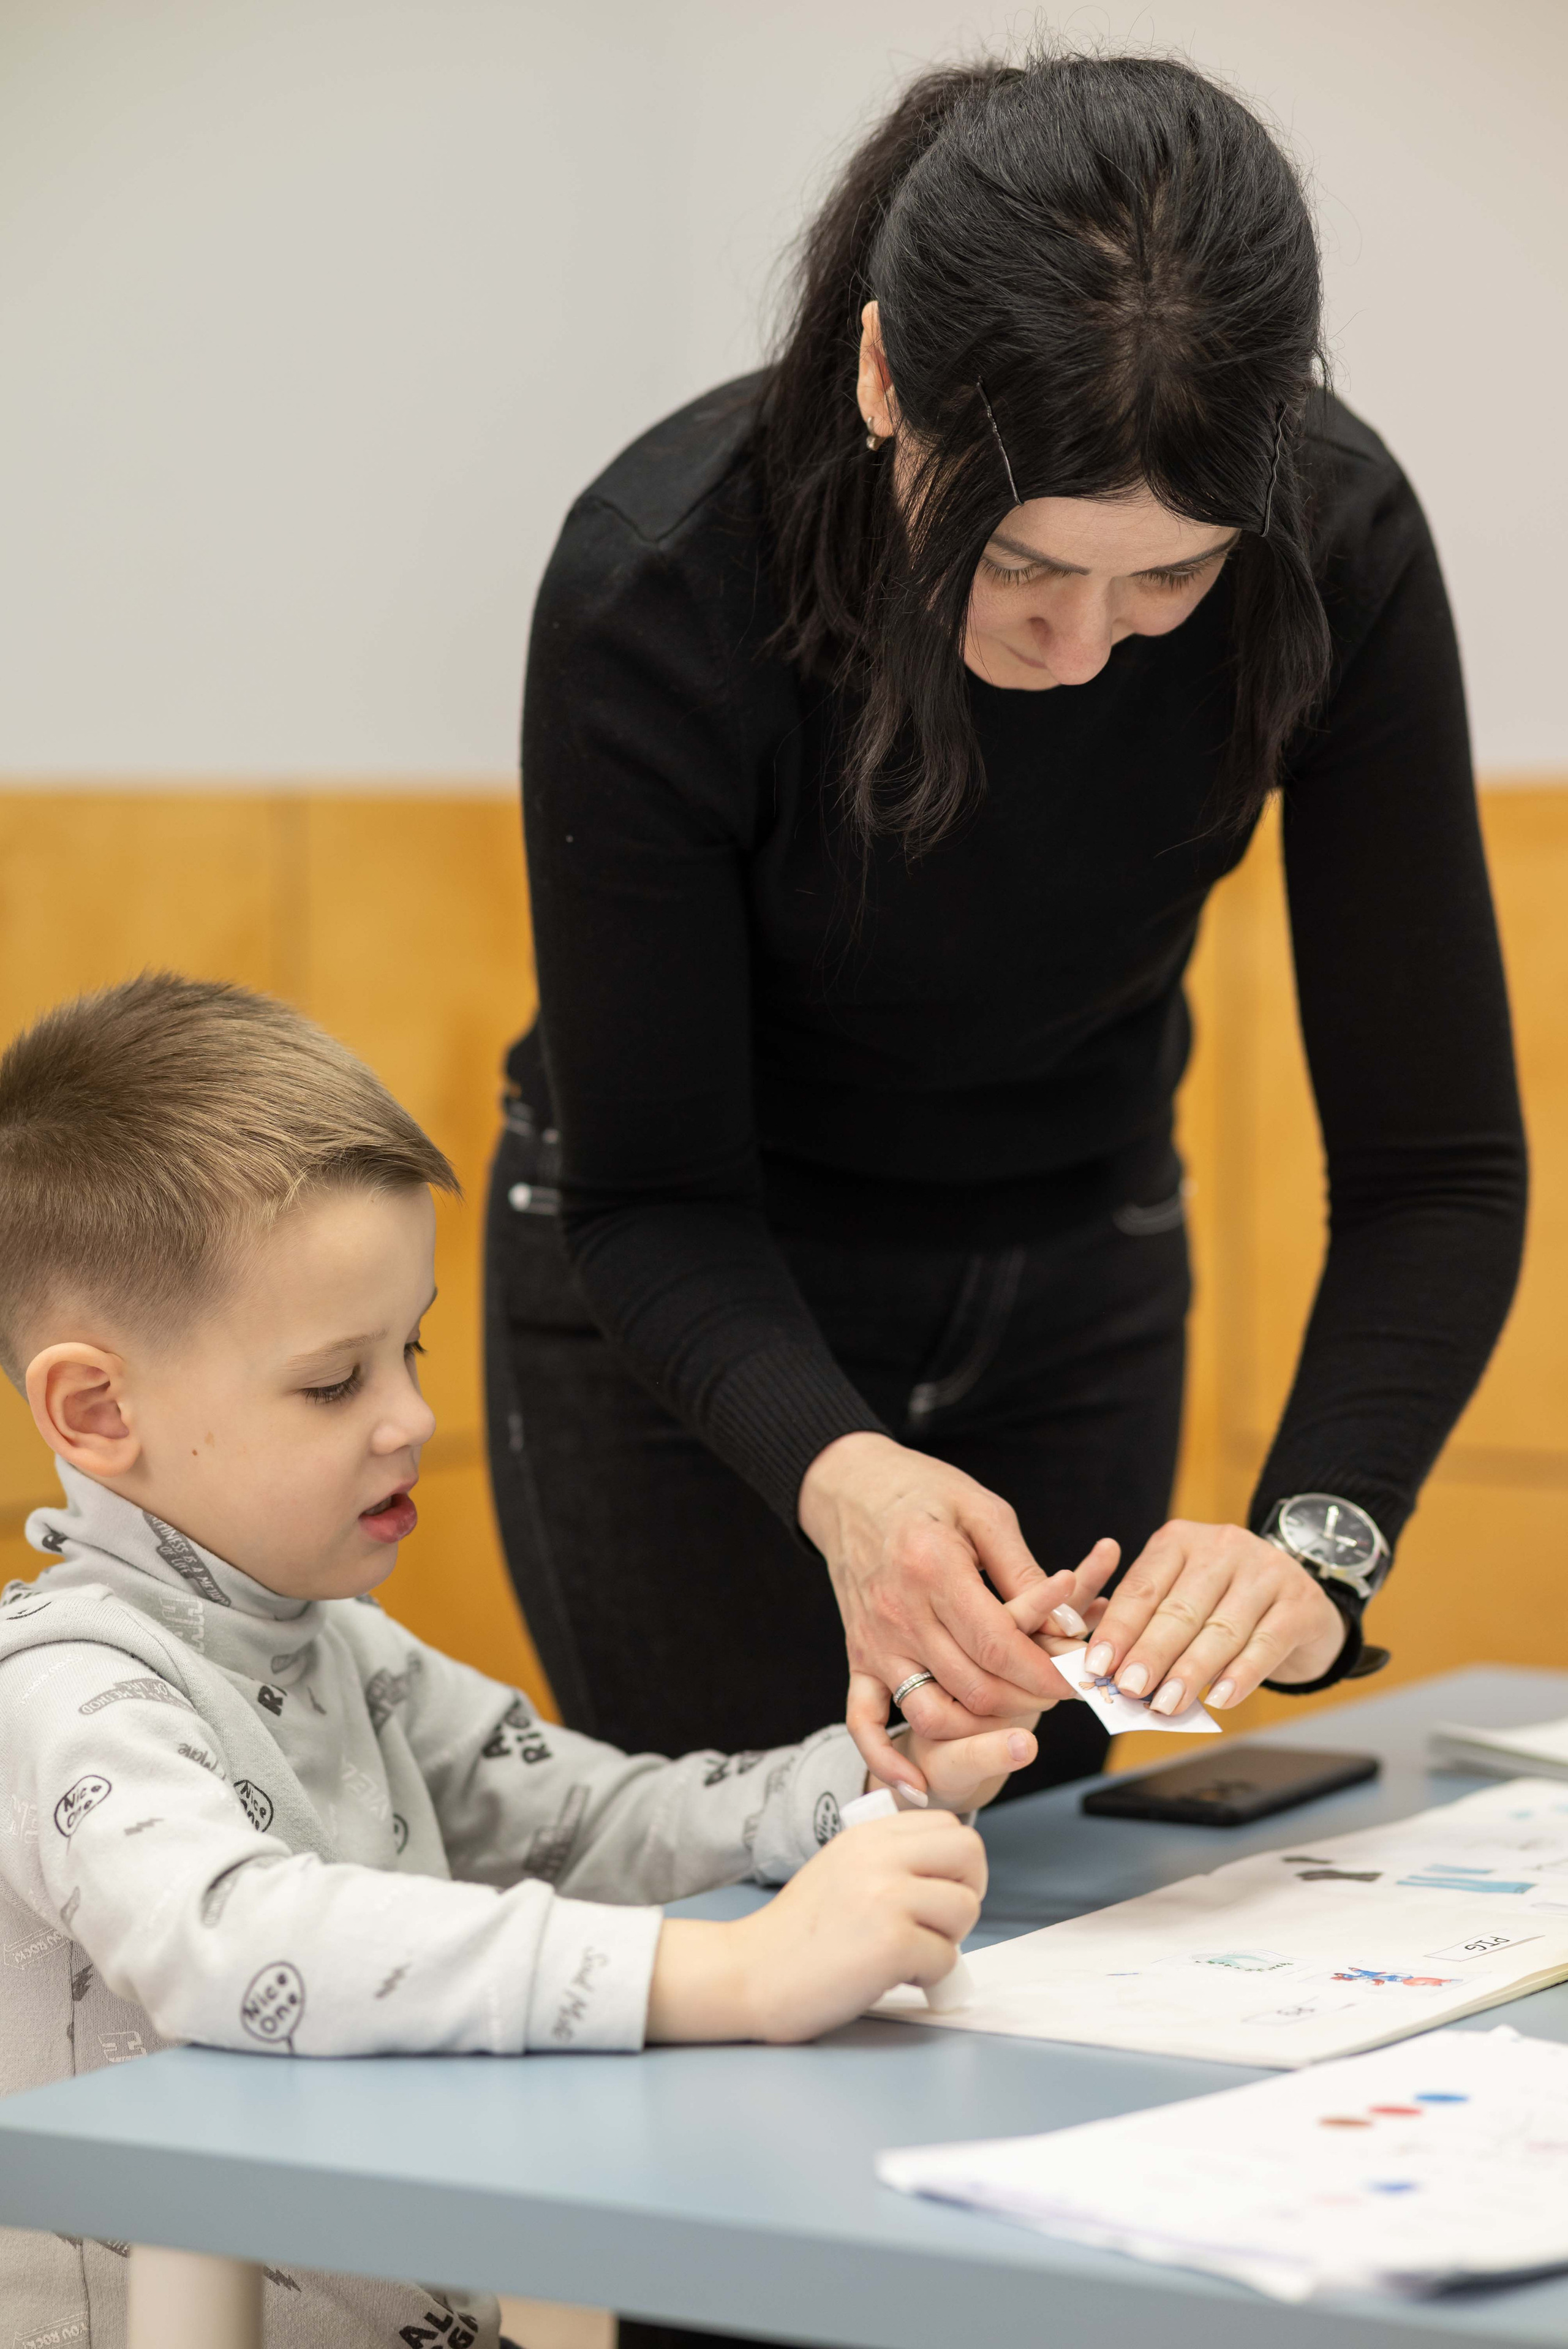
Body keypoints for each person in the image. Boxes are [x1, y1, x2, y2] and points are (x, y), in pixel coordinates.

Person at [488, 50, 1525, 1820]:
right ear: (886, 371)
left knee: (1038, 1896)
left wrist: (1315, 1547)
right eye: (1022, 568)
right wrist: (841, 1472)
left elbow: (1439, 1165)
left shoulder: (1339, 542)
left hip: (1077, 1267)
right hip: (699, 1302)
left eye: (1170, 581)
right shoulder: (662, 584)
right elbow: (656, 1197)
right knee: (756, 1895)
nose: (1086, 648)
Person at [0, 974, 1069, 2349]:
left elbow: (593, 1820)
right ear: (97, 1410)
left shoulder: (342, 1644)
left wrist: (876, 1776)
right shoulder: (62, 1685)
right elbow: (242, 1940)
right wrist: (730, 1979)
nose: (413, 1418)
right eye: (337, 1381)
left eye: (415, 1349)